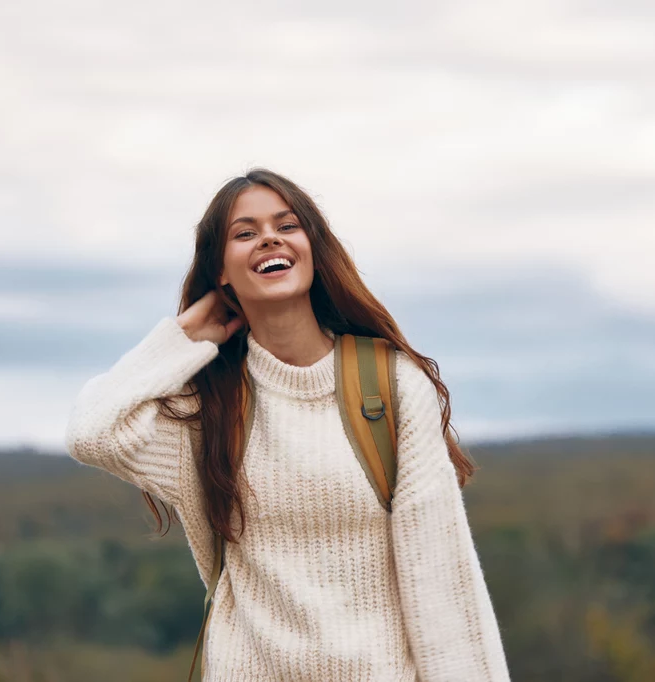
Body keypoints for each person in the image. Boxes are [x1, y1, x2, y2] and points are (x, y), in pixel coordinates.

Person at [65, 169, 511, 681]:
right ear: (221, 272)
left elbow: (441, 584)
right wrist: (183, 338)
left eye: (286, 225)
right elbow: (92, 433)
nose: (269, 239)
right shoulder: (210, 404)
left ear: (312, 250)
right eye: (245, 232)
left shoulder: (388, 385)